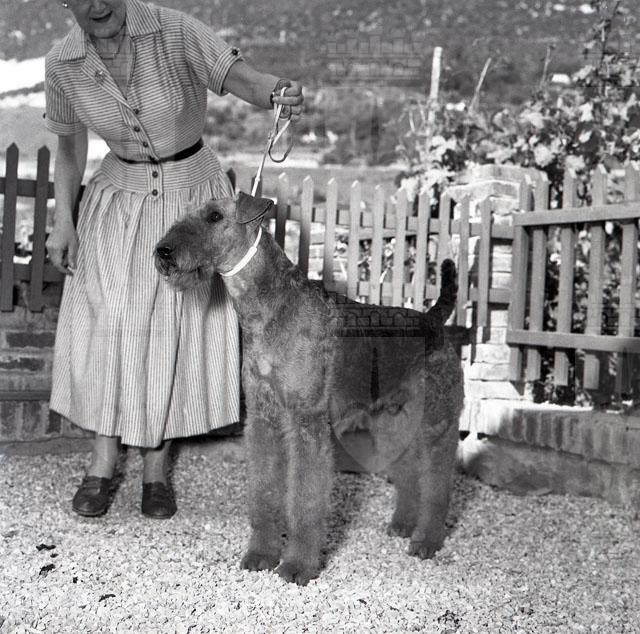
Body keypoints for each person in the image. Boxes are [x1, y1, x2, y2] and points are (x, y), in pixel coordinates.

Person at [45, 0, 303, 519]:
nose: (98, 5)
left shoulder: (175, 30)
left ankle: (156, 470)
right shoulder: (61, 63)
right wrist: (63, 221)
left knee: (172, 328)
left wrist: (277, 91)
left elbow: (242, 78)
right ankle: (101, 463)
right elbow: (69, 150)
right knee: (108, 323)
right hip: (117, 200)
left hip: (190, 200)